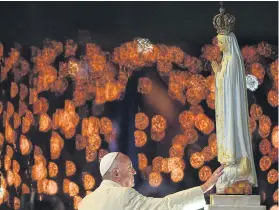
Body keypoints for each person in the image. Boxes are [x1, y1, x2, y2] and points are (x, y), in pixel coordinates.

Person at [211, 5, 258, 193]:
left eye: (221, 43)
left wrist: (217, 72)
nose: (219, 46)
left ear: (228, 42)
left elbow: (227, 86)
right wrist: (218, 72)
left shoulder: (231, 61)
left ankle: (235, 162)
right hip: (227, 106)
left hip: (230, 107)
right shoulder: (229, 60)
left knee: (231, 131)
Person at [79, 152, 224, 210]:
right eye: (130, 168)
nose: (134, 172)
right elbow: (165, 206)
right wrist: (204, 187)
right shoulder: (123, 195)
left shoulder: (84, 203)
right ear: (116, 172)